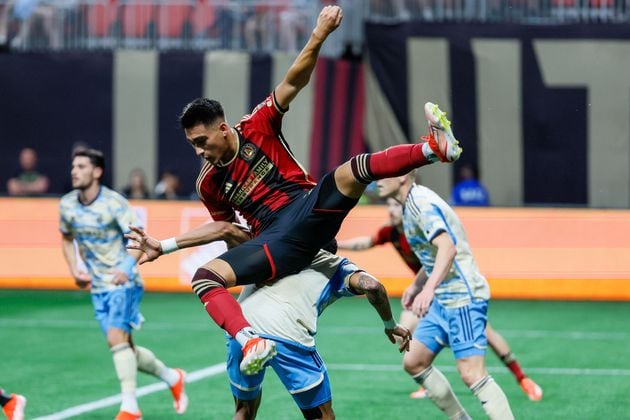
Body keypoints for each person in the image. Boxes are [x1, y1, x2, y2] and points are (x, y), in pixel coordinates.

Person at [173, 4, 462, 376]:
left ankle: (433, 150)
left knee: (351, 170)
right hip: (274, 242)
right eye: (192, 145)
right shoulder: (208, 184)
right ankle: (250, 340)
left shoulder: (257, 125)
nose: (199, 152)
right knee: (205, 277)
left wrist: (320, 32)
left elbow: (292, 81)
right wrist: (252, 263)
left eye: (202, 141)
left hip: (308, 208)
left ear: (223, 129)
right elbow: (230, 232)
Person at [125, 221, 412, 420]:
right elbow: (374, 287)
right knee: (322, 416)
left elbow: (225, 229)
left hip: (243, 331)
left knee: (244, 411)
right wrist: (390, 324)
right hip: (288, 339)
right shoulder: (337, 266)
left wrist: (164, 245)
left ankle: (254, 348)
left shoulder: (272, 248)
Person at [338, 198, 543, 401]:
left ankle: (522, 378)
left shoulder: (418, 229)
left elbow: (442, 256)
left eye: (395, 206)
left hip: (448, 288)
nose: (390, 210)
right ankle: (428, 381)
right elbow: (367, 241)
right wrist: (338, 245)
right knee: (404, 331)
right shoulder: (390, 232)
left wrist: (421, 287)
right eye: (388, 206)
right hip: (423, 291)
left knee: (487, 333)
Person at [59, 148, 187, 420]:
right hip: (98, 285)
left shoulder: (114, 203)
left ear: (97, 171)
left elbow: (139, 237)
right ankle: (172, 377)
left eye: (81, 166)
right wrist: (74, 270)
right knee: (123, 347)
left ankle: (130, 408)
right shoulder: (68, 205)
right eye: (73, 166)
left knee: (116, 339)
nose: (74, 171)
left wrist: (125, 268)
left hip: (124, 282)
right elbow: (67, 238)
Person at [376, 172, 514, 419]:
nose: (378, 178)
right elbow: (433, 254)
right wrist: (418, 285)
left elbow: (447, 248)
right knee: (414, 361)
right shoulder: (409, 205)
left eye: (386, 172)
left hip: (462, 296)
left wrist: (427, 290)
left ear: (404, 177)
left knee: (472, 373)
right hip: (443, 299)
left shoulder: (421, 203)